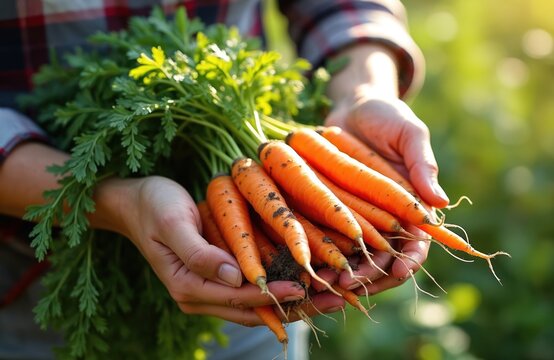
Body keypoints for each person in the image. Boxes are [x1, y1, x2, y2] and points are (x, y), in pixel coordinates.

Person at [0, 1, 450, 359]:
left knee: (286, 276)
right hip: (34, 292)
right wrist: (117, 202)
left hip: (248, 297)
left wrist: (361, 90)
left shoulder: (274, 159)